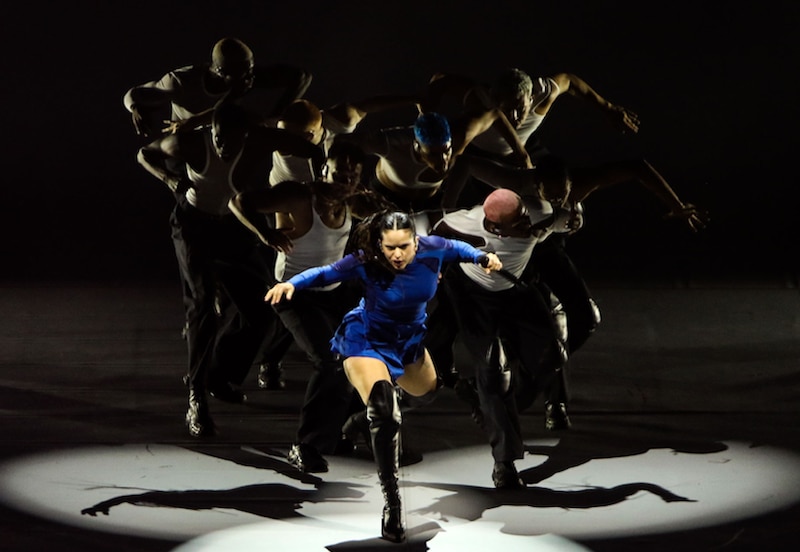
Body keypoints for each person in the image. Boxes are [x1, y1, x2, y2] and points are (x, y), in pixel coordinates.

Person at [264, 210, 502, 543]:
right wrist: (291, 283)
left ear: (415, 241)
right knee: (387, 413)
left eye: (403, 246)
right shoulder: (367, 260)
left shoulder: (433, 248)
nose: (396, 255)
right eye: (389, 247)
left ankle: (360, 422)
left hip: (408, 341)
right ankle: (392, 502)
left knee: (428, 393)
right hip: (367, 340)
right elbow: (324, 272)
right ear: (379, 244)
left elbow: (460, 249)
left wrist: (481, 257)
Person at [136, 101, 324, 437]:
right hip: (193, 226)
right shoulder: (191, 143)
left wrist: (324, 160)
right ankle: (196, 398)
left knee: (263, 307)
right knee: (203, 306)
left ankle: (219, 377)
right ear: (212, 131)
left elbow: (306, 145)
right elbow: (144, 154)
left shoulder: (260, 141)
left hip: (231, 226)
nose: (224, 147)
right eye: (219, 138)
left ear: (247, 136)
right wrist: (169, 177)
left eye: (232, 141)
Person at [228, 140, 392, 473]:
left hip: (332, 291)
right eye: (337, 174)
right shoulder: (298, 195)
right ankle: (306, 446)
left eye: (350, 178)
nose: (343, 183)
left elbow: (389, 220)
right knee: (330, 362)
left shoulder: (352, 201)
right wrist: (265, 234)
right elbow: (239, 201)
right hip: (293, 293)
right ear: (323, 170)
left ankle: (340, 434)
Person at [431, 188, 576, 488]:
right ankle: (504, 462)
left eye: (526, 217)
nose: (526, 225)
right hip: (473, 295)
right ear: (494, 227)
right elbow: (430, 232)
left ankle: (492, 400)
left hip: (514, 289)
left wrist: (572, 220)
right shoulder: (462, 223)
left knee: (551, 356)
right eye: (518, 223)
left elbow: (566, 217)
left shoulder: (540, 213)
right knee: (493, 369)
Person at [339, 108, 531, 234]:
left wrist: (522, 154)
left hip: (428, 201)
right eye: (433, 154)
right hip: (387, 197)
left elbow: (494, 112)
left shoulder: (460, 136)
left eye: (446, 151)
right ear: (416, 146)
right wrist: (342, 180)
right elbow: (339, 142)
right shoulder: (392, 143)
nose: (443, 161)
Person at [123, 37, 312, 139]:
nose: (249, 79)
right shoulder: (181, 81)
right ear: (220, 72)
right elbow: (133, 94)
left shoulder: (246, 77)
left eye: (251, 70)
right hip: (188, 142)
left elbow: (303, 76)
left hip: (222, 143)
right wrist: (135, 108)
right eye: (243, 73)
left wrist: (277, 115)